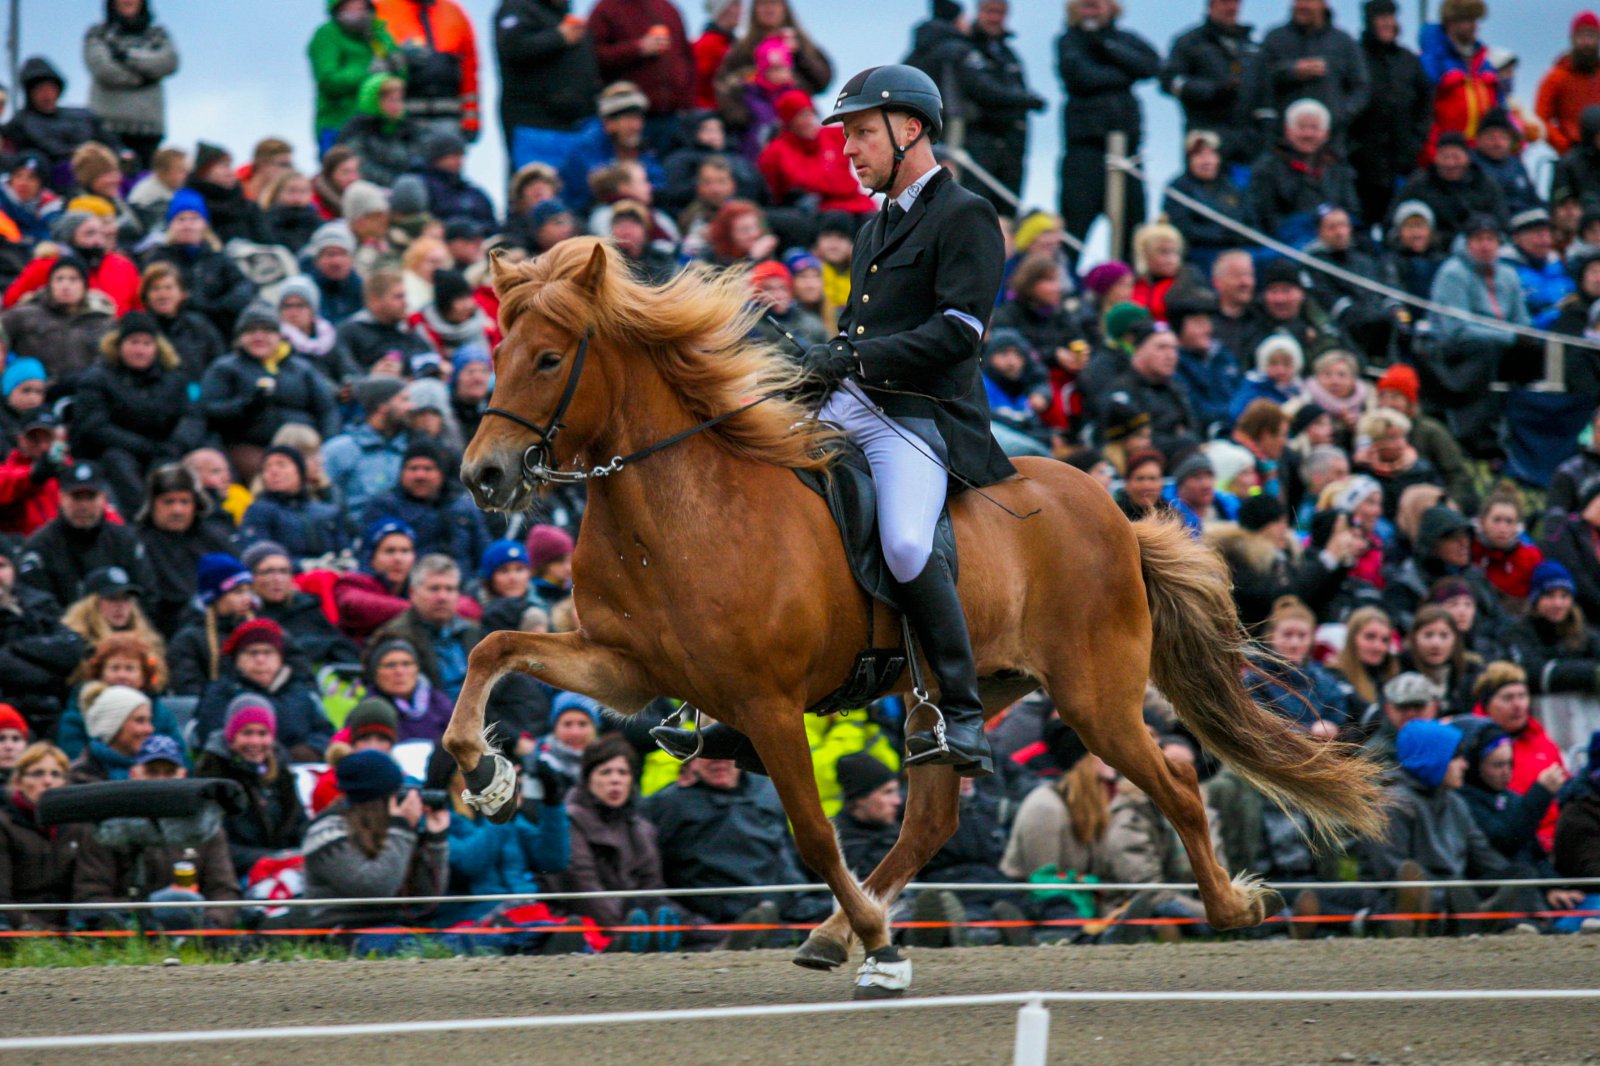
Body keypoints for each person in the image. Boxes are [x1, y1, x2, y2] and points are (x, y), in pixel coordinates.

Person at [661, 65, 1011, 776]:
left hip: (919, 416)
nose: (848, 150)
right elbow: (856, 336)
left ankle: (964, 711)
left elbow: (958, 333)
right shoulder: (875, 226)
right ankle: (740, 703)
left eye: (860, 134)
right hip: (852, 404)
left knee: (909, 546)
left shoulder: (965, 213)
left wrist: (849, 357)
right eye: (847, 136)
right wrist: (814, 364)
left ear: (909, 128)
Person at [645, 756, 828, 942]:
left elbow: (788, 853)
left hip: (787, 907)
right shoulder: (668, 804)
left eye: (726, 753)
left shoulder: (768, 791)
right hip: (717, 916)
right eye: (708, 754)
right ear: (691, 761)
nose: (718, 761)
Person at [72, 734, 242, 930]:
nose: (161, 781)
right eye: (152, 771)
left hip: (194, 930)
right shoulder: (107, 827)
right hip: (128, 934)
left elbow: (225, 892)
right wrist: (144, 917)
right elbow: (91, 895)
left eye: (169, 772)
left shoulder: (205, 828)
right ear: (134, 774)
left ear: (183, 775)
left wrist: (208, 925)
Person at [546, 734, 681, 951]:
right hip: (593, 931)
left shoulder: (641, 828)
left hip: (637, 926)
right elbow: (584, 889)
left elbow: (652, 890)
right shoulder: (570, 821)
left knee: (689, 927)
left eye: (623, 772)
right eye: (605, 772)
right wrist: (625, 932)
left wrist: (696, 929)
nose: (615, 779)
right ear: (588, 779)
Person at [1055, 0, 1160, 256]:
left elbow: (1152, 66)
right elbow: (1082, 77)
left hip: (1127, 152)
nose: (1091, 12)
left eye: (1097, 6)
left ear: (1111, 8)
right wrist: (1124, 74)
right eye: (1085, 6)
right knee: (1074, 231)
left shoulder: (1125, 39)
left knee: (1132, 232)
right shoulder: (1068, 42)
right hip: (1085, 152)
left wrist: (1105, 46)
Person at [303, 749, 450, 930]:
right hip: (341, 929)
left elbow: (427, 898)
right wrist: (401, 828)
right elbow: (376, 888)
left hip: (397, 926)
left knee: (472, 940)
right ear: (377, 800)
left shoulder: (390, 828)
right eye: (396, 793)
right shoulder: (327, 832)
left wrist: (436, 840)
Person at [70, 312, 201, 515]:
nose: (140, 350)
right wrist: (143, 447)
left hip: (164, 449)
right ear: (119, 344)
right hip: (116, 451)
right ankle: (140, 516)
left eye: (146, 343)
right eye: (134, 342)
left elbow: (192, 417)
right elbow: (94, 426)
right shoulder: (97, 378)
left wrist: (178, 444)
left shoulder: (174, 379)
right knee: (118, 462)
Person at [198, 302, 341, 482]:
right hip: (249, 446)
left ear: (279, 336)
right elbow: (209, 410)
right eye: (250, 331)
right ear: (240, 337)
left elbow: (327, 409)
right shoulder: (225, 368)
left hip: (303, 446)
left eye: (267, 331)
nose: (259, 336)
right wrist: (248, 405)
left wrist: (327, 442)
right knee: (275, 474)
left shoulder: (302, 368)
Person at [1424, 215, 1531, 445]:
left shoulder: (1508, 274)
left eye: (1491, 239)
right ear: (1466, 243)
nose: (1485, 245)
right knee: (1483, 349)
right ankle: (1473, 432)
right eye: (1478, 239)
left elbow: (1522, 319)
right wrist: (1510, 336)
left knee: (1541, 352)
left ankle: (1529, 431)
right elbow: (1457, 329)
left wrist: (1526, 336)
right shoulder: (1453, 272)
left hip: (1501, 344)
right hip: (1456, 347)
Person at [17, 461, 153, 610]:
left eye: (91, 497)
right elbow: (38, 605)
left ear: (104, 498)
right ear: (61, 498)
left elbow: (147, 594)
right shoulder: (40, 547)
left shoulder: (124, 540)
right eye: (76, 497)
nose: (83, 506)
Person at [953, 1, 1045, 216]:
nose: (994, 18)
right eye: (990, 11)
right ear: (978, 12)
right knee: (974, 212)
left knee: (1006, 215)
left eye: (1000, 13)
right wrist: (1026, 100)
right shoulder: (965, 49)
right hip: (977, 144)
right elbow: (983, 90)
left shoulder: (1009, 55)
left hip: (1010, 148)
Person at [193, 622, 333, 760]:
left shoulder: (298, 691)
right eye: (252, 653)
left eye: (268, 652)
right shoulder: (222, 692)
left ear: (280, 658)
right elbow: (211, 736)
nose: (260, 660)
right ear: (237, 659)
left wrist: (312, 749)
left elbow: (324, 731)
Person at [1348, 0, 1432, 228]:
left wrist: (1417, 140)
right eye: (1381, 18)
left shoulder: (1408, 60)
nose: (1387, 24)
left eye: (1390, 18)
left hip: (1402, 163)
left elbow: (1425, 103)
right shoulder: (1355, 57)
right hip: (1362, 165)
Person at [1473, 661, 1567, 853]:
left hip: (1552, 844)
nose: (1517, 705)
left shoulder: (1543, 742)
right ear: (1487, 704)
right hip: (1512, 846)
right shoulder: (1472, 746)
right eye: (1507, 698)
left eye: (1522, 696)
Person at [1245, 99, 1359, 248]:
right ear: (1287, 130)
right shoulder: (1267, 168)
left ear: (1325, 134)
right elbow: (1264, 216)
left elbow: (1352, 209)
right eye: (1301, 127)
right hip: (1289, 244)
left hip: (1336, 239)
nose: (1308, 134)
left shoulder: (1338, 166)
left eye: (1314, 128)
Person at [2, 57, 124, 191]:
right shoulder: (21, 122)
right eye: (40, 90)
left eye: (50, 89)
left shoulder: (83, 116)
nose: (47, 95)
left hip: (99, 170)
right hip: (54, 179)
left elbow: (111, 142)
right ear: (30, 93)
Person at [371, 553, 481, 701]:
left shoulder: (474, 632)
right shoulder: (394, 636)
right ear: (413, 593)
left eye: (450, 589)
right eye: (434, 589)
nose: (443, 597)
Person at [82, 0, 180, 167]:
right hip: (108, 130)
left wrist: (126, 56)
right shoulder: (98, 33)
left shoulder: (158, 34)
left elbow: (168, 62)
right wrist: (143, 78)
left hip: (149, 131)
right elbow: (103, 68)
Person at [1161, 0, 1259, 167]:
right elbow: (1168, 81)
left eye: (1236, 3)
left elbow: (1264, 92)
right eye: (1225, 2)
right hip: (1204, 139)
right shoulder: (1190, 42)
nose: (1232, 7)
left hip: (1247, 140)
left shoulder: (1251, 46)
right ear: (1210, 5)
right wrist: (1212, 92)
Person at [0, 743, 86, 931]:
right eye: (38, 773)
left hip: (70, 930)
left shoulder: (78, 827)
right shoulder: (4, 826)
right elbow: (2, 900)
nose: (48, 781)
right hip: (17, 929)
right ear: (19, 780)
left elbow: (86, 893)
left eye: (56, 774)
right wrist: (44, 933)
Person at [588, 0, 694, 151]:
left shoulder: (668, 8)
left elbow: (686, 58)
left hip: (673, 117)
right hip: (627, 118)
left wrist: (687, 102)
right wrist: (638, 48)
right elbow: (594, 57)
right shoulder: (606, 9)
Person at [0, 256, 117, 388]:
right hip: (37, 395)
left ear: (85, 285)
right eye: (59, 279)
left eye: (74, 279)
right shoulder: (23, 315)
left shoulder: (103, 321)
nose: (65, 286)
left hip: (87, 393)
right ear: (50, 284)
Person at [373, 0, 481, 142]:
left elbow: (469, 70)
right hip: (403, 122)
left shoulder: (454, 13)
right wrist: (400, 58)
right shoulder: (381, 11)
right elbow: (372, 69)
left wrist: (471, 121)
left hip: (448, 121)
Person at [309, 0, 404, 153]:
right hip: (339, 123)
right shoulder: (327, 35)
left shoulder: (379, 33)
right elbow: (328, 80)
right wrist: (368, 73)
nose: (360, 4)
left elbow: (398, 77)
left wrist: (399, 65)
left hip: (381, 127)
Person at [1392, 134, 1508, 250]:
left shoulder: (1484, 184)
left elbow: (1501, 222)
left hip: (1477, 250)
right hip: (1430, 250)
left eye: (1456, 157)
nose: (1450, 163)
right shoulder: (1418, 184)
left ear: (1467, 158)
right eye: (1445, 157)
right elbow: (1393, 220)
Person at [1418, 0, 1502, 154]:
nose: (1474, 26)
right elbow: (1423, 109)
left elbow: (1499, 107)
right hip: (1445, 155)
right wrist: (1431, 151)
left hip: (1480, 156)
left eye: (1476, 20)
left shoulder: (1482, 62)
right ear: (1451, 22)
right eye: (1468, 20)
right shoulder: (1434, 60)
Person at [1160, 131, 1247, 276]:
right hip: (1198, 253)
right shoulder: (1178, 188)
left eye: (1212, 154)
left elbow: (1247, 220)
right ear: (1189, 159)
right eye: (1199, 155)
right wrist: (1220, 235)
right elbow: (1182, 227)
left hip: (1235, 249)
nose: (1207, 161)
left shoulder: (1232, 187)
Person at [333, 269, 435, 377]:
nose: (405, 302)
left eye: (405, 296)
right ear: (374, 301)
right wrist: (372, 374)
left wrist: (406, 368)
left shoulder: (406, 331)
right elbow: (344, 372)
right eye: (398, 297)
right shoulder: (349, 332)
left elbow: (430, 362)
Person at [335, 73, 428, 189]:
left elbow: (419, 159)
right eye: (391, 100)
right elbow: (360, 166)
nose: (398, 106)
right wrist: (397, 182)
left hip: (404, 190)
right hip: (369, 191)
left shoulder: (408, 128)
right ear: (374, 101)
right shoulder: (358, 129)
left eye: (400, 100)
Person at [362, 634, 454, 743]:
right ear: (375, 672)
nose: (399, 672)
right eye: (390, 665)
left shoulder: (439, 702)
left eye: (406, 664)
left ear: (417, 668)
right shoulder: (367, 710)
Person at [1538, 12, 1600, 157]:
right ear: (1572, 39)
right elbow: (1540, 118)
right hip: (1573, 153)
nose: (1586, 42)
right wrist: (1564, 146)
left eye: (1591, 36)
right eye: (1581, 36)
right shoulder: (1556, 77)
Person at [69, 683, 154, 782]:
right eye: (140, 720)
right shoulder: (79, 776)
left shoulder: (159, 768)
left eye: (149, 720)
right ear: (113, 725)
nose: (150, 729)